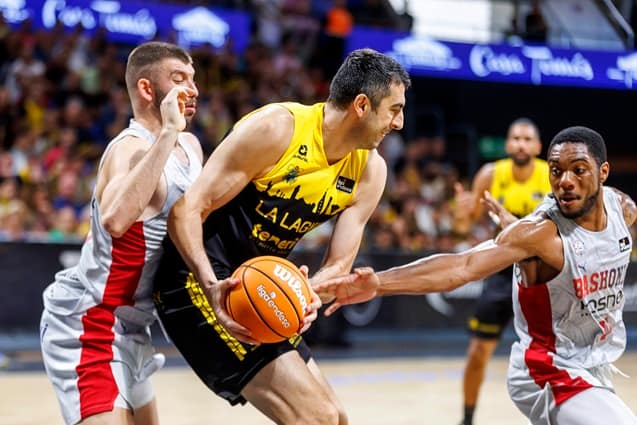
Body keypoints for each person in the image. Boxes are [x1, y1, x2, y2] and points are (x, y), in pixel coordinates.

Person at [153, 48, 411, 424]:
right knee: (317, 418)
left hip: (259, 288)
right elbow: (186, 211)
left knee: (336, 417)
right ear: (361, 105)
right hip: (195, 279)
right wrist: (210, 285)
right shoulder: (277, 129)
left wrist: (307, 294)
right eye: (394, 109)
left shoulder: (370, 172)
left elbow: (338, 265)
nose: (399, 123)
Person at [317, 126, 637, 425]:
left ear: (603, 172)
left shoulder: (623, 210)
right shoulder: (539, 234)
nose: (565, 180)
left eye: (579, 170)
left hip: (594, 363)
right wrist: (379, 283)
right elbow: (462, 266)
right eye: (556, 171)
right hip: (548, 369)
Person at [40, 41, 203, 425]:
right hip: (91, 321)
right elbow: (115, 219)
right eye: (179, 79)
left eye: (193, 79)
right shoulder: (127, 149)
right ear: (147, 89)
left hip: (133, 326)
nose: (193, 89)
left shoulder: (192, 147)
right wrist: (167, 133)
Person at [453, 118, 550, 425]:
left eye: (527, 139)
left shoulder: (551, 175)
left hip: (542, 272)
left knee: (553, 356)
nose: (521, 144)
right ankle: (467, 419)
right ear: (507, 144)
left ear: (537, 146)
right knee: (477, 352)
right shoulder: (490, 174)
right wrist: (460, 213)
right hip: (501, 270)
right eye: (516, 138)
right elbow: (463, 227)